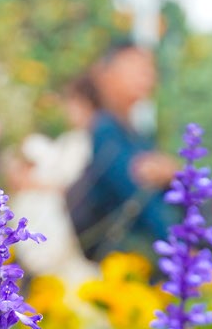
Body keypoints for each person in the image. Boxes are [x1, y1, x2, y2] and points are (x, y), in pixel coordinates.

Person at [66, 40, 177, 262]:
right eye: (136, 67)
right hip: (121, 268)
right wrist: (182, 251)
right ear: (105, 73)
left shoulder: (136, 136)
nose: (146, 76)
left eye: (149, 69)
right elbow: (145, 206)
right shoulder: (106, 131)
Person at [12, 77, 98, 283]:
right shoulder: (70, 140)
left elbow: (72, 186)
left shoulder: (90, 141)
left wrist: (33, 183)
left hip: (69, 233)